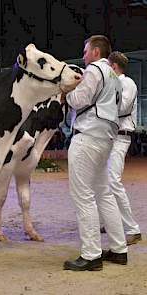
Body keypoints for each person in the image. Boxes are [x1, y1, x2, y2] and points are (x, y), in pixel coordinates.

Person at [63, 35, 128, 271]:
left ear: (96, 53)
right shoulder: (115, 77)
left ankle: (91, 255)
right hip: (107, 136)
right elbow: (118, 107)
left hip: (88, 135)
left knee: (83, 196)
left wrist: (67, 92)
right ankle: (119, 249)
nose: (83, 55)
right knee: (104, 193)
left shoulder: (93, 70)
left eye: (86, 50)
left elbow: (80, 99)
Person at [107, 51, 141, 245]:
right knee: (103, 181)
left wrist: (101, 107)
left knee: (113, 181)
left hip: (120, 138)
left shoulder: (127, 83)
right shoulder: (114, 84)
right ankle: (109, 220)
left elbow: (123, 108)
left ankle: (133, 229)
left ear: (113, 67)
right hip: (111, 137)